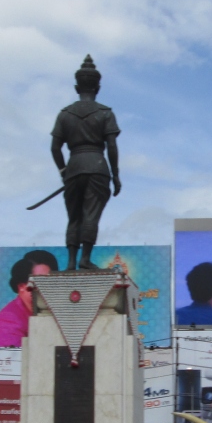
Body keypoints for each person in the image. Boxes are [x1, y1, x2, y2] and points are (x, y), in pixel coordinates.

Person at [50, 55, 121, 271]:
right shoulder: (105, 113)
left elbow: (55, 148)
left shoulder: (64, 115)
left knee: (73, 216)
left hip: (74, 166)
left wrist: (63, 170)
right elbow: (111, 146)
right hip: (97, 166)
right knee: (91, 214)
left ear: (76, 88)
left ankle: (71, 262)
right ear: (97, 88)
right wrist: (116, 175)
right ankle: (85, 258)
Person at [0, 250, 59, 347]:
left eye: (51, 281)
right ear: (21, 286)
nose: (47, 287)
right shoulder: (7, 321)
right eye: (40, 281)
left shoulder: (58, 309)